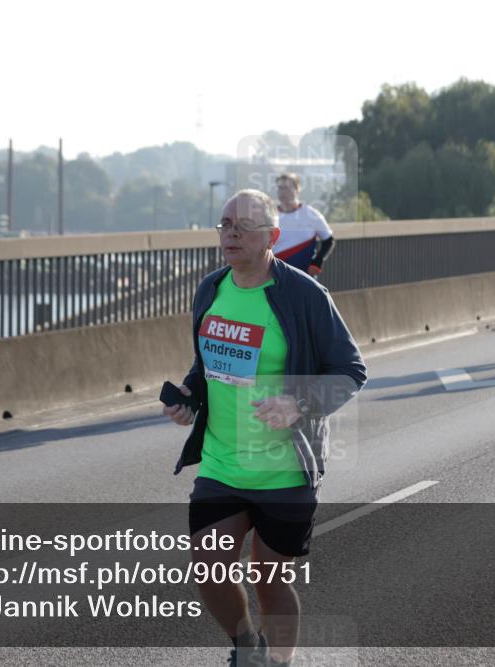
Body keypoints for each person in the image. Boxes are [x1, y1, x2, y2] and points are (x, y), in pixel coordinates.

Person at [163, 189, 366, 666]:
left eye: (243, 226)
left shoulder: (304, 295)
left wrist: (299, 402)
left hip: (284, 470)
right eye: (225, 224)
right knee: (210, 572)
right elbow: (206, 364)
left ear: (272, 237)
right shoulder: (211, 289)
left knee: (270, 582)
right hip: (221, 462)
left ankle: (279, 662)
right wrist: (190, 397)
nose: (230, 234)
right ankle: (246, 646)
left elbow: (351, 370)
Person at [273, 173, 335, 277]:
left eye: (287, 188)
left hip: (305, 276)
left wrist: (317, 262)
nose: (283, 192)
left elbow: (329, 240)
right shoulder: (270, 216)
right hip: (277, 276)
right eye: (280, 188)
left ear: (297, 189)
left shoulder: (310, 214)